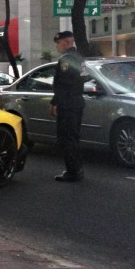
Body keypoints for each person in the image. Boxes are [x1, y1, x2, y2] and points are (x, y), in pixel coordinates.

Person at [50, 31, 85, 182]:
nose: (57, 46)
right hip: (77, 101)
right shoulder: (79, 57)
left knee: (66, 138)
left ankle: (72, 171)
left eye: (58, 43)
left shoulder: (66, 59)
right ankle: (77, 168)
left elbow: (63, 85)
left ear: (65, 43)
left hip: (67, 103)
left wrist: (54, 102)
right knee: (74, 137)